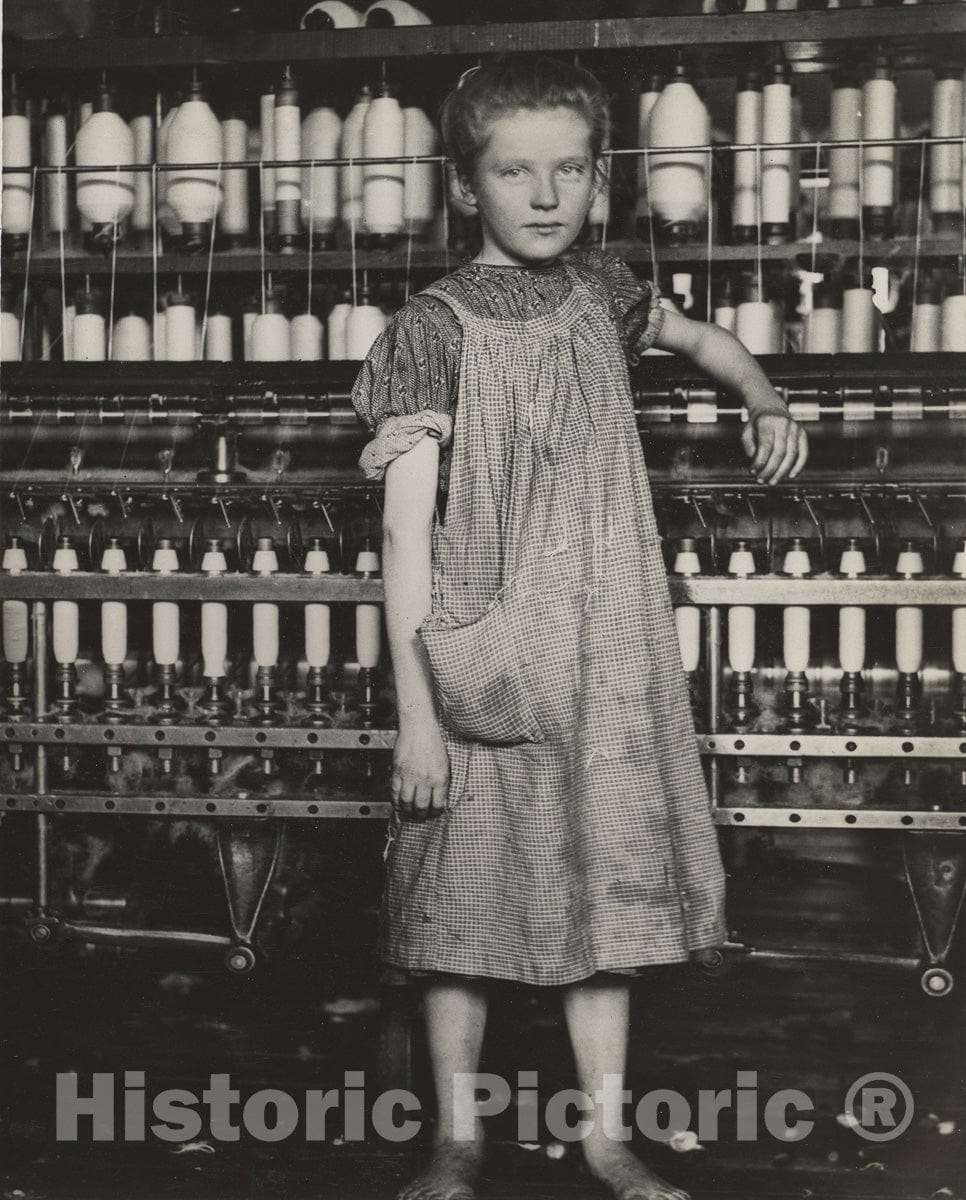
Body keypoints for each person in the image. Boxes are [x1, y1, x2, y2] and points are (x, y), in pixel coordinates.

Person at [351, 55, 808, 1200]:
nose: (544, 195)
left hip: (606, 650)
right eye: (515, 171)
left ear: (601, 178)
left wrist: (766, 402)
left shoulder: (608, 288)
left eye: (568, 169)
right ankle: (454, 1138)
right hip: (483, 651)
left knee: (603, 892)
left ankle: (605, 1136)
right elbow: (407, 541)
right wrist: (417, 720)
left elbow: (702, 344)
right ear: (466, 187)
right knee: (459, 895)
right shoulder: (429, 328)